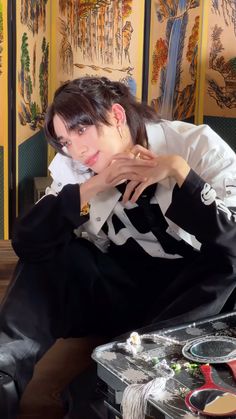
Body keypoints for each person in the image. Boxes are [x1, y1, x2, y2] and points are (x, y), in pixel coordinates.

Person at [0, 76, 236, 417]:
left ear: (116, 115)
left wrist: (179, 172)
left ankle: (106, 385)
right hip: (120, 287)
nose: (76, 149)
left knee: (230, 267)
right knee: (50, 253)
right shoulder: (76, 168)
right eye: (65, 141)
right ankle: (4, 371)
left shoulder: (197, 146)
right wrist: (94, 185)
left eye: (81, 130)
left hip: (191, 298)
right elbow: (27, 241)